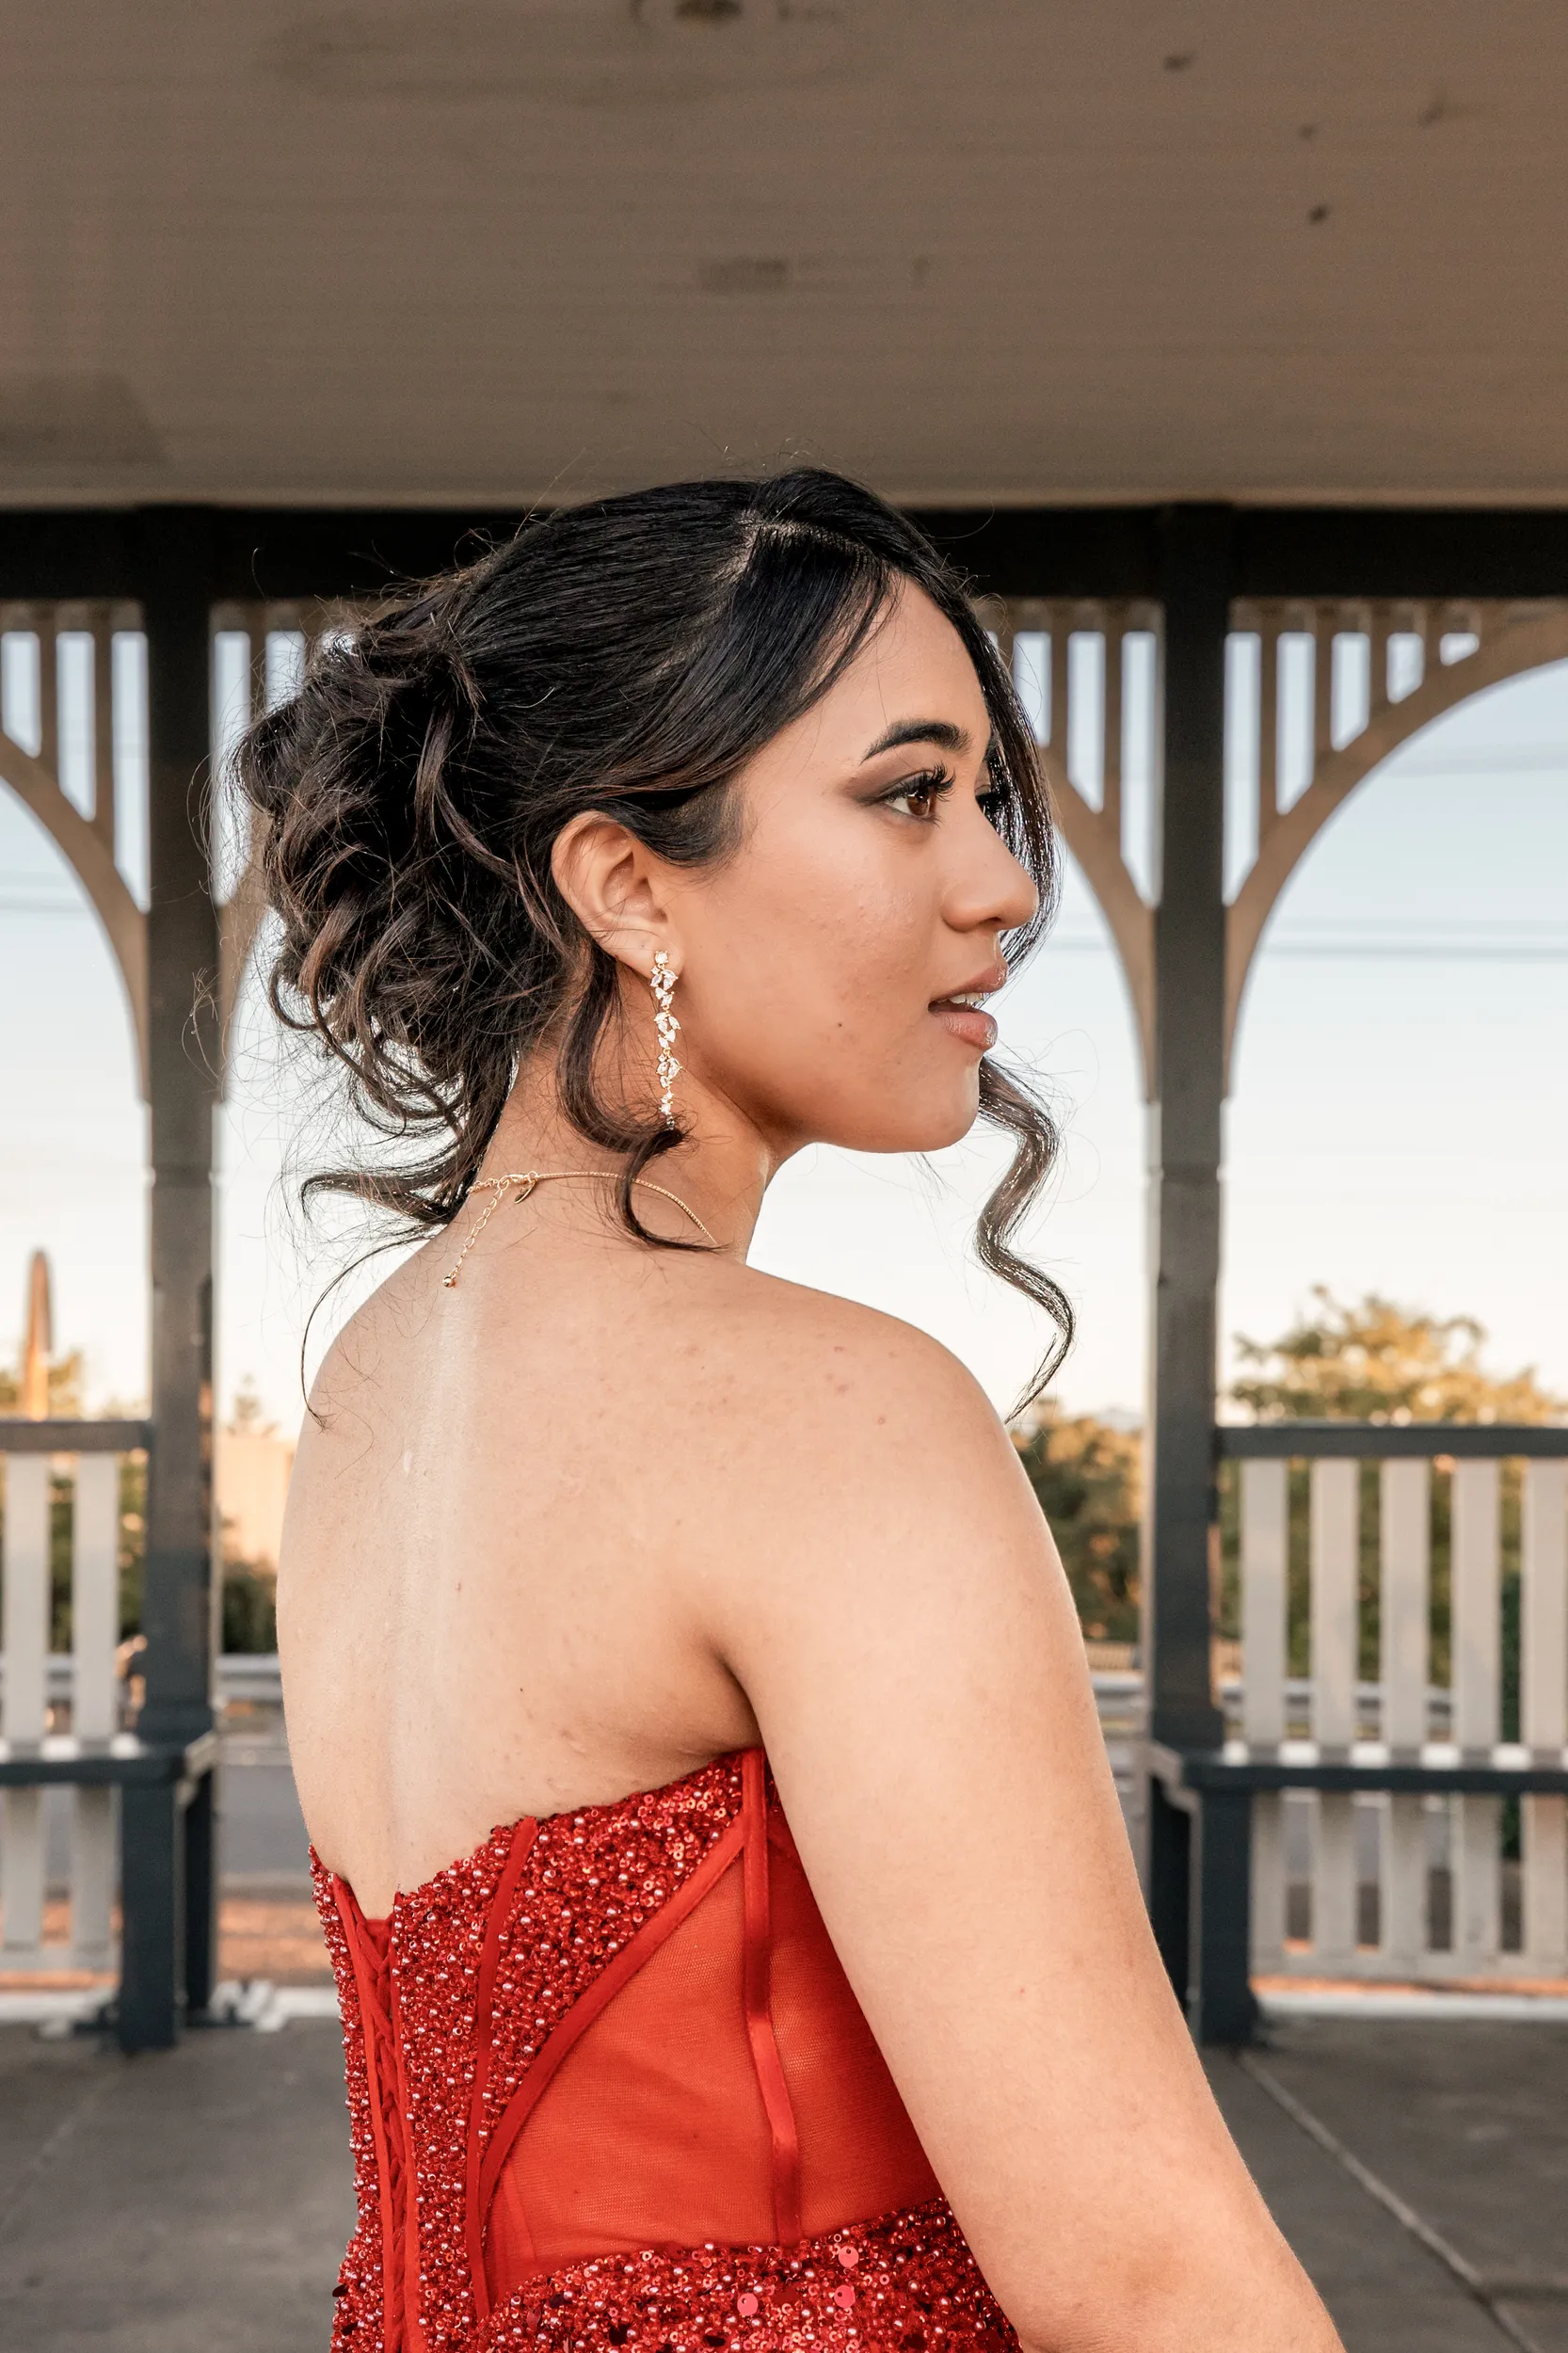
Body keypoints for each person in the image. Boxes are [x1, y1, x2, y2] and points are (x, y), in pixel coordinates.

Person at [244, 471, 1342, 2353]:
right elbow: (1143, 2277)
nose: (998, 878)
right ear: (623, 882)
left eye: (986, 795)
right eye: (906, 789)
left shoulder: (366, 1381)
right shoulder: (832, 1412)